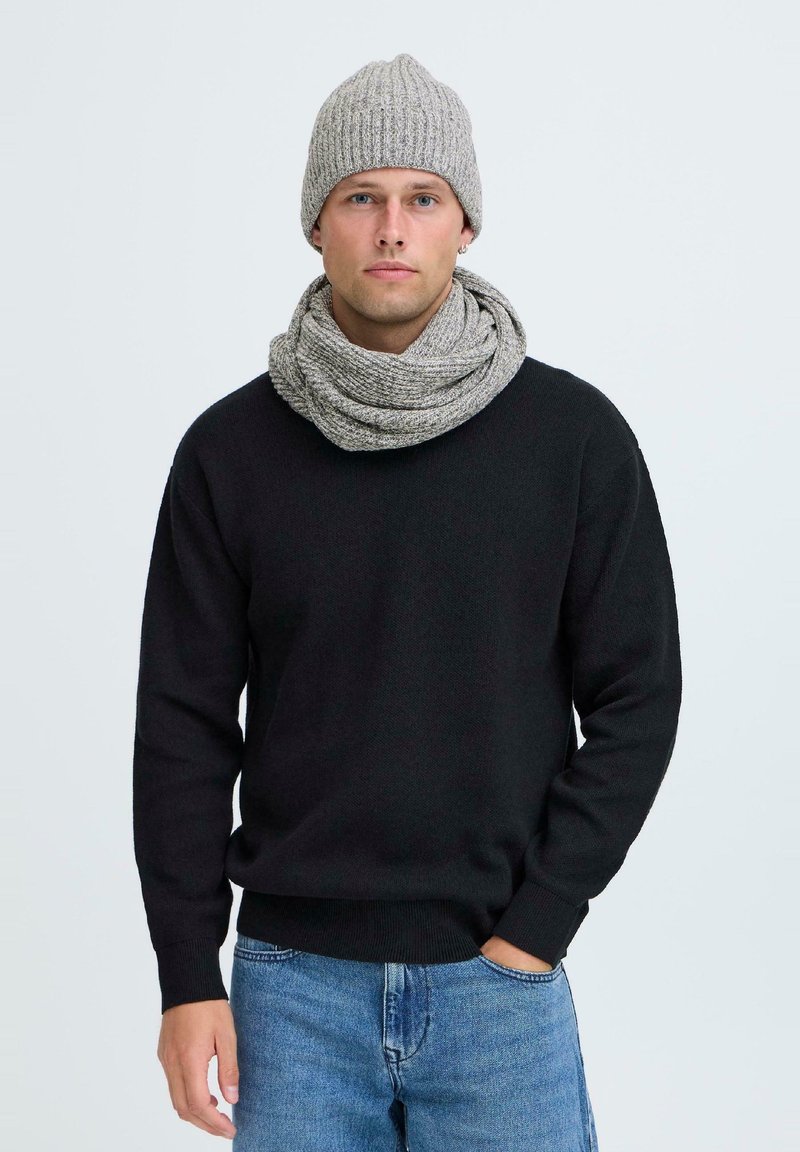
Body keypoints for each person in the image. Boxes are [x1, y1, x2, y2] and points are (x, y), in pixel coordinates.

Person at [132, 52, 682, 1151]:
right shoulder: (229, 453)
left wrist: (536, 928)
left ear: (465, 223)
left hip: (499, 990)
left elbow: (637, 700)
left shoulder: (572, 440)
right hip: (291, 992)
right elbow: (183, 726)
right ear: (316, 224)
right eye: (361, 198)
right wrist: (187, 973)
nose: (392, 229)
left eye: (422, 198)